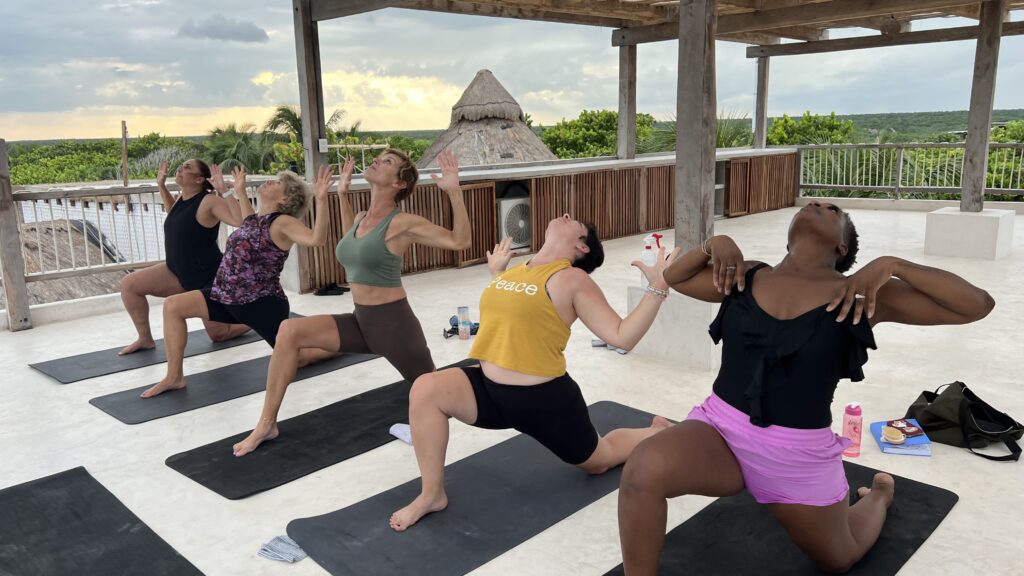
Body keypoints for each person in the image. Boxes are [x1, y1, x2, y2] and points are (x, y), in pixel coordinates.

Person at [617, 202, 995, 574]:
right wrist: (713, 244)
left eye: (832, 210)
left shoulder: (860, 296)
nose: (816, 204)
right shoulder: (745, 275)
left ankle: (879, 495)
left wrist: (891, 265)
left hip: (796, 458)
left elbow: (976, 305)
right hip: (721, 432)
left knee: (839, 558)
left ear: (842, 246)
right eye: (813, 203)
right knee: (642, 469)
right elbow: (677, 279)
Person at [388, 215, 682, 532]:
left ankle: (655, 432)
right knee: (426, 389)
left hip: (545, 403)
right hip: (489, 391)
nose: (567, 215)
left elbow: (622, 335)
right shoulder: (517, 270)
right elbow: (512, 316)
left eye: (576, 222)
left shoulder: (572, 280)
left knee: (600, 460)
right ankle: (431, 494)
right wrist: (497, 274)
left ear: (581, 246)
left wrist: (657, 288)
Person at [230, 149, 472, 456]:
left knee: (439, 395)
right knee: (289, 331)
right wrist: (341, 194)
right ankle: (266, 423)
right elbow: (350, 240)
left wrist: (454, 191)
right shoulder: (361, 219)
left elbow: (459, 241)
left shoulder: (402, 223)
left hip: (395, 327)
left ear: (399, 183)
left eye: (387, 162)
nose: (377, 161)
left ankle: (459, 410)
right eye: (379, 157)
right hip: (362, 322)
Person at [140, 164, 335, 398]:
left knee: (301, 358)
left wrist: (321, 200)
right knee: (173, 306)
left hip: (260, 304)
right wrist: (230, 190)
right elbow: (241, 205)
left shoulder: (282, 222)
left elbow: (316, 239)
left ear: (284, 198)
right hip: (225, 296)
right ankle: (174, 376)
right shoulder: (254, 219)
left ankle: (338, 346)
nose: (270, 181)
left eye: (277, 182)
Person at [118, 159, 249, 355]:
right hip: (176, 271)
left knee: (219, 335)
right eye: (181, 166)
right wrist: (161, 185)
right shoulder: (182, 198)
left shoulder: (209, 201)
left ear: (198, 179)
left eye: (187, 168)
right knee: (129, 285)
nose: (180, 168)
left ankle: (256, 320)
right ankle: (145, 339)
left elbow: (238, 221)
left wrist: (225, 190)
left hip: (207, 278)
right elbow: (175, 213)